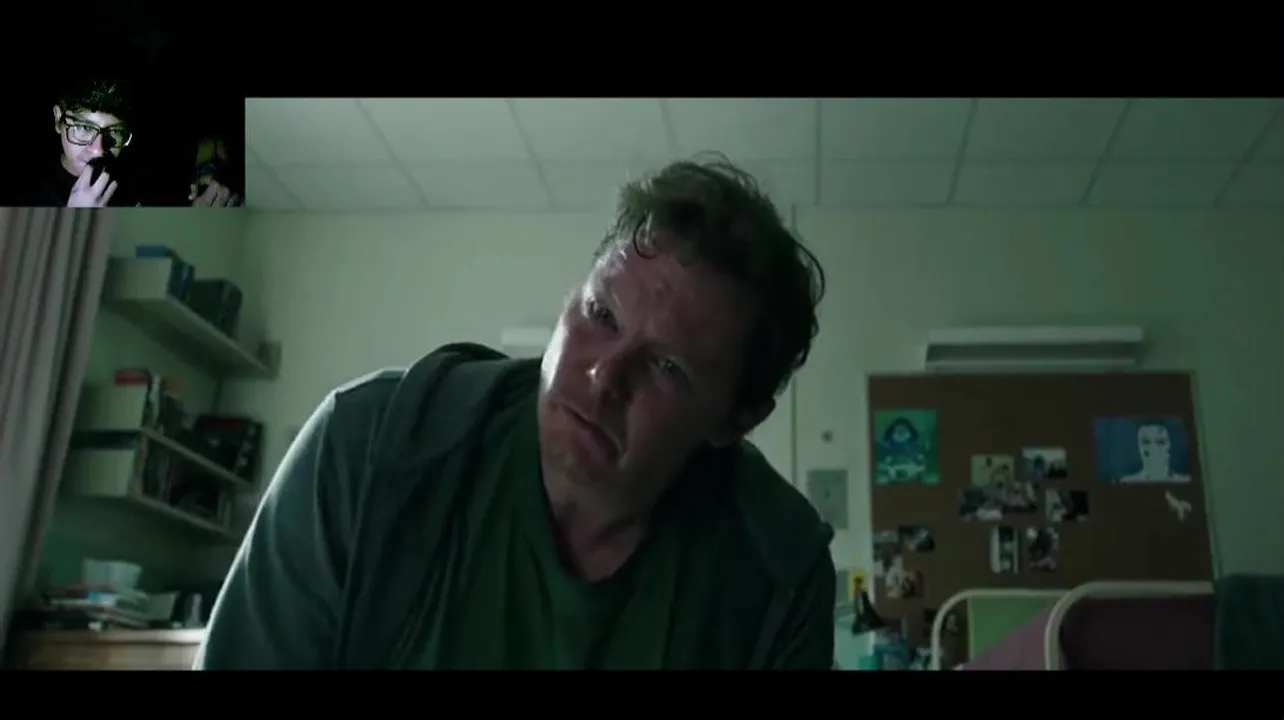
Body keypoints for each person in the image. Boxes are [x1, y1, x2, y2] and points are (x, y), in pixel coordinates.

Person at [195, 156, 834, 670]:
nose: (603, 377)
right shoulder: (369, 446)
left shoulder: (776, 575)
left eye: (667, 368)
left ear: (735, 420)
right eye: (601, 315)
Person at [1, 71, 241, 208]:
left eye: (114, 132)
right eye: (83, 128)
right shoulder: (17, 193)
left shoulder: (141, 179)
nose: (98, 150)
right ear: (58, 119)